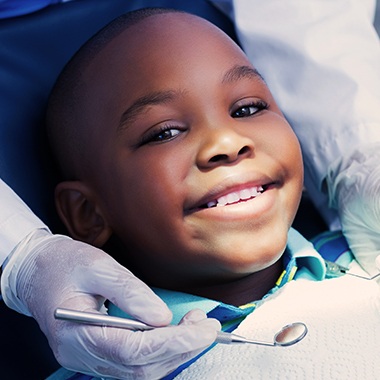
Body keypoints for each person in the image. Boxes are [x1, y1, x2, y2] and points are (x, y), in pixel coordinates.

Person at [45, 8, 380, 379]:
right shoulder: (104, 361)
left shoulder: (367, 255)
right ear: (88, 213)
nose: (227, 142)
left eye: (248, 108)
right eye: (165, 133)